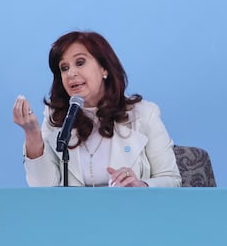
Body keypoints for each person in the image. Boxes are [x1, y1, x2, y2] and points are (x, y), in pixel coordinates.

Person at [13, 31, 181, 187]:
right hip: (75, 217)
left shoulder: (144, 114)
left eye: (80, 62)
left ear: (104, 68)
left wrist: (141, 186)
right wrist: (32, 134)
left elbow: (172, 179)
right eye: (64, 68)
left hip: (130, 214)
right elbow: (43, 188)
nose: (71, 73)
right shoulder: (57, 119)